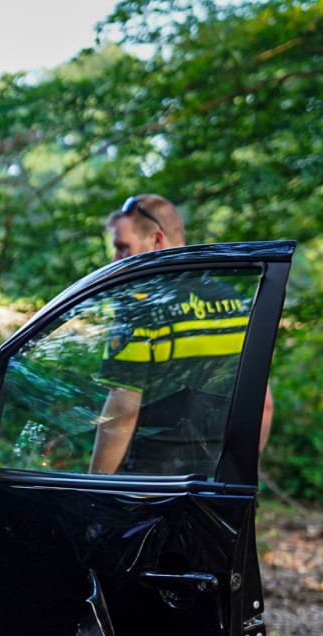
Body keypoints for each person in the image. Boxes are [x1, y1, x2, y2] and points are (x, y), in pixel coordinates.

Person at [89, 194, 274, 474]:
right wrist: (236, 477)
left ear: (157, 240)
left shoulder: (140, 307)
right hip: (214, 491)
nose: (116, 260)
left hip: (147, 491)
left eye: (122, 247)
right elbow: (264, 406)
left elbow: (122, 412)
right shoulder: (237, 304)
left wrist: (95, 489)